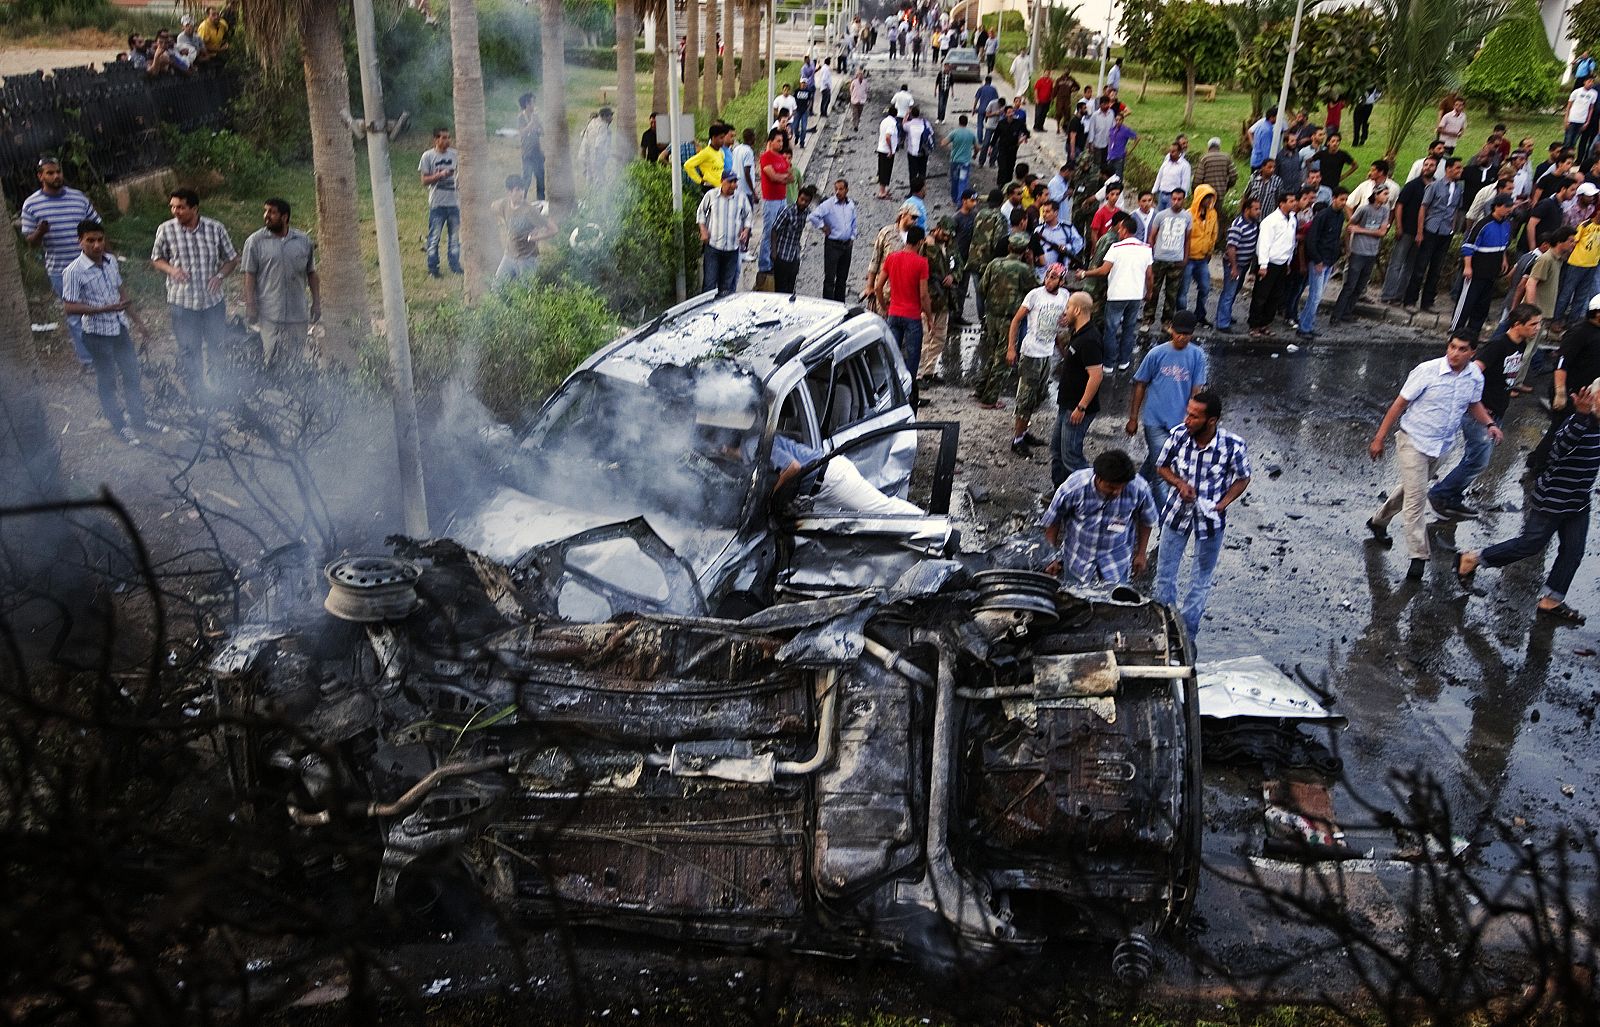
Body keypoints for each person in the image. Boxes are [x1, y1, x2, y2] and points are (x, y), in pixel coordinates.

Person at [1456, 380, 1600, 625]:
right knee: (1530, 544)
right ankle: (1473, 558)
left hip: (1577, 501)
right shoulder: (1578, 422)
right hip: (1553, 498)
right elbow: (1559, 448)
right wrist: (1580, 416)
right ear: (1592, 399)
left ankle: (1552, 599)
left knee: (1573, 551)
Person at [1366, 334, 1502, 580]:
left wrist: (1490, 424)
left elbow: (1473, 404)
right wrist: (1379, 438)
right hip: (1412, 441)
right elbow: (1399, 404)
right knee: (1416, 501)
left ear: (1472, 353)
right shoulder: (1426, 371)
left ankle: (1378, 521)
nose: (1454, 353)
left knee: (1411, 489)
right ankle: (1418, 557)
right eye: (1452, 347)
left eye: (1462, 349)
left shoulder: (1474, 377)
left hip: (1441, 446)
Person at [1152, 391, 1251, 639]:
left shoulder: (1233, 446)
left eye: (1194, 416)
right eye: (1188, 413)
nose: (1187, 419)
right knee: (1165, 576)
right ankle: (1166, 629)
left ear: (1212, 421)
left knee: (1201, 580)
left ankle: (1188, 633)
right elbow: (1161, 467)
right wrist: (1178, 484)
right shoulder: (1178, 436)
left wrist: (1224, 503)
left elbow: (1243, 477)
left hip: (1210, 520)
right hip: (1177, 513)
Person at [1427, 304, 1540, 519]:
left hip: (1496, 411)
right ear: (1518, 324)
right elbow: (1474, 370)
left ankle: (1452, 497)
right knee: (1478, 460)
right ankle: (1440, 494)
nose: (1537, 328)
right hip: (1480, 413)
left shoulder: (1521, 344)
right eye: (1533, 324)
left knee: (1475, 458)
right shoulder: (1498, 345)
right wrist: (1476, 403)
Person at [61, 221, 154, 445]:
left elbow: (122, 293)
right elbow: (69, 307)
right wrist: (101, 309)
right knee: (108, 380)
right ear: (80, 242)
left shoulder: (111, 261)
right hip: (96, 334)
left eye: (100, 239)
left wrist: (139, 323)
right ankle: (120, 426)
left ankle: (139, 419)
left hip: (119, 328)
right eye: (90, 240)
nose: (96, 245)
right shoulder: (74, 271)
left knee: (131, 374)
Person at [151, 188, 238, 406]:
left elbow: (231, 259)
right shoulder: (166, 230)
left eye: (180, 207)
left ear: (194, 208)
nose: (175, 211)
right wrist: (172, 270)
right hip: (182, 303)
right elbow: (156, 259)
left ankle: (220, 390)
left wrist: (220, 275)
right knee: (189, 350)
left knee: (217, 347)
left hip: (212, 302)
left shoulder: (215, 229)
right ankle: (197, 395)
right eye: (172, 207)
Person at [21, 156, 100, 368]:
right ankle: (88, 360)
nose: (56, 176)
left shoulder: (78, 198)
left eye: (58, 172)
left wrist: (105, 258)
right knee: (75, 315)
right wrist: (40, 231)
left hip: (89, 265)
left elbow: (97, 228)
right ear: (40, 176)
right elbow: (31, 241)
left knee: (100, 307)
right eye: (50, 173)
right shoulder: (31, 204)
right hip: (61, 270)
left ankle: (106, 355)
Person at [1126, 309, 1207, 508]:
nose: (1181, 337)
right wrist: (1133, 417)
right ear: (1170, 329)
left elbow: (1197, 390)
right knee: (1163, 470)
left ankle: (1132, 493)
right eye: (1178, 332)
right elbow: (1140, 384)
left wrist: (1195, 421)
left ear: (1192, 334)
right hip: (1154, 421)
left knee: (1154, 462)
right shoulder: (1156, 354)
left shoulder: (1197, 356)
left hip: (1180, 424)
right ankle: (1165, 519)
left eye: (1186, 334)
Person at [1042, 449, 1158, 587]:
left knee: (1114, 605)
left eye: (1121, 488)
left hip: (1116, 563)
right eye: (1111, 487)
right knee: (1075, 602)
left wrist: (1141, 553)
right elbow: (1053, 520)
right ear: (1098, 478)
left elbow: (1147, 520)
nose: (1117, 492)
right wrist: (1051, 556)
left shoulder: (1139, 488)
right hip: (1078, 560)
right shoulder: (1074, 487)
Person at [240, 197, 321, 365]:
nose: (266, 215)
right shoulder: (255, 242)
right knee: (271, 358)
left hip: (297, 313)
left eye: (272, 212)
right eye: (266, 211)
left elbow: (312, 273)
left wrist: (317, 303)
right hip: (270, 313)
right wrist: (250, 305)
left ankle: (294, 390)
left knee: (296, 360)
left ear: (284, 217)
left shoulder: (303, 241)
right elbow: (249, 275)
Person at [1528, 292, 1600, 473]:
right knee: (1559, 428)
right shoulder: (1580, 332)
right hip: (1570, 391)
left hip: (1586, 393)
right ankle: (1539, 466)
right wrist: (1560, 393)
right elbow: (1561, 363)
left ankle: (1540, 458)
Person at [1007, 263, 1072, 456]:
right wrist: (1011, 347)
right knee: (1025, 398)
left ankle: (1024, 431)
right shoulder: (1034, 295)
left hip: (1047, 353)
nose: (1049, 280)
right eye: (1048, 276)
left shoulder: (1064, 295)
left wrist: (1063, 349)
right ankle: (1017, 439)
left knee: (1039, 395)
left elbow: (1064, 322)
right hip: (1031, 353)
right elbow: (1016, 320)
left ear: (1062, 280)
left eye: (1054, 277)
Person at [1078, 213, 1152, 372]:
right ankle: (1124, 361)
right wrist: (1149, 292)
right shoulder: (1146, 249)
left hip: (1117, 295)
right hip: (1136, 295)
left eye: (1120, 229)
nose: (1118, 232)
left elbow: (1103, 270)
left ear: (1124, 230)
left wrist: (1084, 274)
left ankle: (1109, 364)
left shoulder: (1116, 248)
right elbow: (1149, 275)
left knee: (1111, 330)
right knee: (1129, 328)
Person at [975, 233, 1036, 408]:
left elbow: (981, 287)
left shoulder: (994, 264)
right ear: (1024, 251)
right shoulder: (1023, 269)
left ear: (1009, 247)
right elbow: (1034, 288)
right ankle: (990, 399)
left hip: (991, 316)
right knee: (1002, 360)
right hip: (1009, 320)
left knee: (993, 353)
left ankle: (981, 389)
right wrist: (1030, 263)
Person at [879, 225, 932, 404]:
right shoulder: (921, 263)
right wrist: (930, 316)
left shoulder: (892, 258)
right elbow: (923, 295)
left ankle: (890, 396)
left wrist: (884, 305)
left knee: (892, 357)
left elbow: (878, 286)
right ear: (919, 242)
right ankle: (908, 399)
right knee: (912, 361)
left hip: (893, 313)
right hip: (912, 317)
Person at [1452, 193, 1514, 337]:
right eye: (1506, 207)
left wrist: (1504, 259)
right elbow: (1468, 246)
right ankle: (1455, 332)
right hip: (1476, 273)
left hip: (1491, 274)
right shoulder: (1482, 224)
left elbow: (1503, 245)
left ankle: (1474, 334)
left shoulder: (1506, 225)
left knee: (1482, 307)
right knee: (1466, 304)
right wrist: (1468, 267)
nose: (1509, 210)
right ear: (1497, 207)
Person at [1331, 185, 1392, 325]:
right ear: (1376, 195)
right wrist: (1348, 248)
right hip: (1358, 251)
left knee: (1360, 286)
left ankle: (1347, 313)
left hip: (1372, 252)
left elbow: (1382, 232)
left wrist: (1361, 230)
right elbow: (1349, 227)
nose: (1386, 197)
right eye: (1384, 194)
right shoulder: (1364, 209)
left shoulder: (1385, 210)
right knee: (1350, 285)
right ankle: (1336, 315)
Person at [1381, 156, 1437, 302]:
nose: (1428, 167)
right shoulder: (1413, 185)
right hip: (1407, 229)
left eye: (1431, 165)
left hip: (1424, 232)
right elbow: (1399, 205)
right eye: (1426, 164)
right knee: (1396, 263)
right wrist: (1398, 226)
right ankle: (1387, 294)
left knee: (1410, 266)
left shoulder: (1436, 185)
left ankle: (1399, 295)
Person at [1297, 186, 1348, 338]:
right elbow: (1312, 240)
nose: (1344, 203)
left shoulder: (1339, 217)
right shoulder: (1323, 216)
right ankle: (1304, 328)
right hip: (1319, 261)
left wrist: (1333, 260)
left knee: (1317, 296)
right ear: (1334, 198)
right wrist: (1317, 260)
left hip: (1329, 261)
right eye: (1341, 199)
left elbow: (1335, 240)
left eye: (1346, 200)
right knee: (1315, 296)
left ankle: (1307, 325)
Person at [1249, 191, 1298, 337]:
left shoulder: (1292, 219)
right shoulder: (1270, 221)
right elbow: (1263, 244)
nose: (1294, 203)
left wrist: (1288, 262)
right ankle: (1254, 325)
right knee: (1261, 296)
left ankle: (1265, 323)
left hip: (1282, 263)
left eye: (1294, 200)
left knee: (1275, 296)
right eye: (1290, 201)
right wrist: (1263, 265)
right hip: (1269, 263)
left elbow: (1291, 242)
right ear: (1281, 203)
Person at [696, 172, 751, 297]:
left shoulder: (741, 197)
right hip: (714, 247)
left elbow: (748, 215)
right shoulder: (711, 195)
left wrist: (746, 230)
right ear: (722, 181)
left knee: (727, 287)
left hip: (732, 249)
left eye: (735, 182)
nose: (734, 185)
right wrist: (703, 229)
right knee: (709, 284)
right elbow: (701, 212)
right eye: (730, 182)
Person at [920, 216, 961, 381]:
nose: (947, 238)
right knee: (924, 337)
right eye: (944, 234)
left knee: (939, 337)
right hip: (928, 297)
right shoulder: (926, 245)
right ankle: (919, 373)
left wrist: (953, 276)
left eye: (949, 235)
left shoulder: (951, 246)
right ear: (937, 229)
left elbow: (959, 265)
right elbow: (924, 267)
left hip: (944, 298)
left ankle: (929, 371)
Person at [418, 128, 462, 277]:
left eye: (448, 137)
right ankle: (433, 268)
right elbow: (424, 180)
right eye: (443, 138)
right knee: (434, 237)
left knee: (455, 238)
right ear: (436, 140)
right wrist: (439, 175)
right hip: (437, 204)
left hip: (454, 203)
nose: (447, 141)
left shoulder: (455, 155)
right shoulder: (428, 156)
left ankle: (455, 265)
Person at [1145, 188, 1191, 328]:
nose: (1176, 202)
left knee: (1172, 294)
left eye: (1179, 199)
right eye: (1174, 199)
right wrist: (1150, 256)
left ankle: (1167, 321)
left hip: (1176, 260)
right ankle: (1148, 319)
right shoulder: (1161, 215)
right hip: (1159, 259)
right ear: (1171, 199)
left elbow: (1187, 239)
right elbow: (1151, 237)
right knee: (1153, 290)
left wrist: (1185, 258)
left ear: (1184, 200)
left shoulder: (1187, 217)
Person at [1214, 196, 1261, 335]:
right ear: (1247, 210)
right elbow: (1231, 248)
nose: (1258, 211)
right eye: (1256, 209)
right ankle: (1222, 323)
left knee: (1234, 290)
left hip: (1244, 264)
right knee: (1229, 292)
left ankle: (1225, 315)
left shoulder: (1253, 223)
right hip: (1234, 264)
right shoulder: (1238, 225)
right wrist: (1234, 267)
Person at [809, 177, 858, 303]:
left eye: (841, 189)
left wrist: (852, 237)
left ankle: (840, 304)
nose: (838, 192)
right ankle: (828, 305)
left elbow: (854, 222)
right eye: (836, 189)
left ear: (846, 190)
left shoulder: (850, 204)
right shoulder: (828, 205)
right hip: (833, 245)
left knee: (842, 279)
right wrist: (822, 226)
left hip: (846, 246)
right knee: (830, 278)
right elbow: (813, 216)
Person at [1178, 185, 1220, 323]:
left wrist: (1210, 250)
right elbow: (1183, 237)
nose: (1209, 201)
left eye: (1210, 198)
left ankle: (1200, 315)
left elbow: (1214, 233)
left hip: (1203, 258)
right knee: (1183, 290)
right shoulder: (1188, 215)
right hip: (1189, 258)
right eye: (1206, 198)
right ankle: (1181, 317)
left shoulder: (1212, 214)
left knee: (1205, 287)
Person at [756, 129, 792, 278]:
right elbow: (772, 177)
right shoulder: (766, 157)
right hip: (771, 200)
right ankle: (765, 264)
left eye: (782, 141)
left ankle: (776, 259)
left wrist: (780, 177)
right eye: (778, 141)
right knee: (769, 231)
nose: (781, 143)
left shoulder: (781, 158)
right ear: (770, 142)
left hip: (782, 198)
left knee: (781, 230)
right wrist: (781, 177)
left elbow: (790, 177)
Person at [768, 184, 817, 295]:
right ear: (797, 198)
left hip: (794, 255)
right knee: (781, 288)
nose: (803, 203)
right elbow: (774, 230)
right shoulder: (787, 211)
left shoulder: (806, 213)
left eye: (806, 201)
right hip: (782, 254)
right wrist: (774, 251)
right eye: (802, 200)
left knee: (790, 287)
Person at [684, 123, 732, 192]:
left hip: (720, 187)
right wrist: (700, 181)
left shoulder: (720, 152)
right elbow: (688, 165)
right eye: (721, 138)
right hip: (710, 189)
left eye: (724, 137)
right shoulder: (705, 152)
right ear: (713, 138)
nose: (723, 140)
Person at [517, 93, 547, 201]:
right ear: (527, 104)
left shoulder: (536, 116)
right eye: (532, 102)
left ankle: (541, 202)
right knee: (527, 179)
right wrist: (531, 123)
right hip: (527, 153)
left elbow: (542, 132)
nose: (534, 105)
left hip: (537, 152)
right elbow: (522, 132)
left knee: (540, 180)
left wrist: (538, 125)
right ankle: (521, 201)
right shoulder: (521, 117)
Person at [991, 103, 1029, 185]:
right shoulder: (1001, 123)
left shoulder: (1018, 123)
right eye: (1009, 112)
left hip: (1013, 148)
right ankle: (1000, 186)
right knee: (1002, 168)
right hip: (1002, 148)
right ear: (1005, 114)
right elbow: (996, 135)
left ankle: (1008, 186)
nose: (1011, 114)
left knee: (1010, 168)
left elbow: (1026, 132)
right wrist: (991, 146)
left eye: (1012, 112)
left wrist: (1023, 137)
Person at [943, 114, 976, 205]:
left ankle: (954, 198)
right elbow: (977, 147)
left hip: (955, 161)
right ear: (966, 122)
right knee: (963, 182)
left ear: (959, 122)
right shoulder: (971, 134)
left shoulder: (954, 132)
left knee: (954, 180)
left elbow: (943, 143)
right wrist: (975, 154)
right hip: (965, 162)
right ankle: (960, 201)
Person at [1196, 138, 1236, 211]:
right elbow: (1233, 176)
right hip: (1220, 194)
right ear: (1219, 146)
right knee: (1216, 216)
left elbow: (1198, 178)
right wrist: (1227, 187)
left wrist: (1196, 192)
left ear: (1209, 147)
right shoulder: (1226, 157)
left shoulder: (1204, 158)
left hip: (1205, 195)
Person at [1152, 140, 1192, 209]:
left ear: (1179, 152)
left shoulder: (1185, 165)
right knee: (1160, 216)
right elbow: (1159, 177)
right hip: (1161, 194)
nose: (1171, 153)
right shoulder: (1166, 163)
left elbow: (1185, 184)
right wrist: (1153, 191)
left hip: (1173, 198)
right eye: (1170, 151)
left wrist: (1181, 199)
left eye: (1173, 151)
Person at [875, 106, 900, 200]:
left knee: (882, 170)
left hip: (881, 148)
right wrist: (890, 149)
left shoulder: (884, 121)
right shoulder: (892, 124)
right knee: (886, 171)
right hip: (887, 150)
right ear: (896, 114)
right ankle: (881, 192)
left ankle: (883, 190)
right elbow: (888, 137)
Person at [904, 106, 932, 184]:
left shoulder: (908, 125)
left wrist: (906, 114)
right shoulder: (926, 123)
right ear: (919, 114)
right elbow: (931, 133)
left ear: (911, 115)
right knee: (922, 171)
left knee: (913, 173)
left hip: (912, 152)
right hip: (924, 151)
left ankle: (913, 191)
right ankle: (922, 190)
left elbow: (903, 125)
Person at [1105, 111, 1137, 177]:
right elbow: (1110, 140)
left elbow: (1137, 138)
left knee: (1118, 178)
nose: (1118, 122)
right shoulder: (1112, 129)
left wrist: (1130, 151)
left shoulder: (1125, 130)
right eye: (1116, 120)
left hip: (1119, 157)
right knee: (1109, 177)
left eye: (1120, 120)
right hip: (1110, 157)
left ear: (1122, 120)